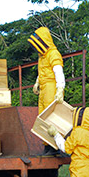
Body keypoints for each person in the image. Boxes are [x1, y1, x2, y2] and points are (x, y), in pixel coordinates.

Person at [29, 27, 65, 155]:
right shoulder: (42, 56)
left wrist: (60, 89)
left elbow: (58, 72)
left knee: (51, 117)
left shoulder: (53, 53)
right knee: (43, 117)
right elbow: (43, 70)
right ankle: (47, 145)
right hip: (44, 88)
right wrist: (38, 82)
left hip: (51, 87)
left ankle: (56, 146)